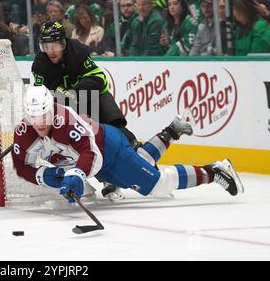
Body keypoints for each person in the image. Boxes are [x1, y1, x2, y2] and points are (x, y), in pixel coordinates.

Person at [32, 21, 192, 200]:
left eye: (55, 45)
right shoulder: (40, 65)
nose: (51, 51)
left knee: (126, 141)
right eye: (46, 46)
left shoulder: (77, 52)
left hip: (97, 98)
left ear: (64, 43)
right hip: (73, 110)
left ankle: (162, 149)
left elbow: (100, 79)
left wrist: (73, 92)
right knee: (88, 146)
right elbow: (40, 94)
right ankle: (110, 180)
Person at [12, 86, 244, 204]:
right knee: (142, 162)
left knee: (158, 186)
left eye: (43, 116)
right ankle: (171, 131)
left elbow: (90, 153)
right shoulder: (24, 132)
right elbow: (21, 166)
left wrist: (76, 176)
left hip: (109, 151)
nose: (39, 123)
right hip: (101, 157)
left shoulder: (67, 121)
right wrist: (46, 176)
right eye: (33, 118)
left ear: (51, 109)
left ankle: (214, 171)